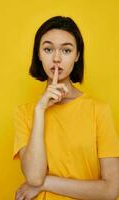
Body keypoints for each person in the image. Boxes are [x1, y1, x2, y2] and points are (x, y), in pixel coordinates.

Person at [13, 16, 119, 200]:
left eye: (66, 50)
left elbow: (111, 190)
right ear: (38, 54)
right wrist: (40, 110)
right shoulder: (25, 113)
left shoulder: (99, 111)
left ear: (77, 55)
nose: (56, 58)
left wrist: (46, 183)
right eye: (48, 49)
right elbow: (33, 176)